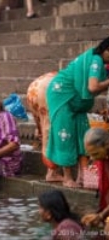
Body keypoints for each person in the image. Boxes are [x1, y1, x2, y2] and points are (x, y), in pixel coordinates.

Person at [44, 37, 109, 188]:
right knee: (64, 134)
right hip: (62, 95)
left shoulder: (101, 62)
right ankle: (68, 177)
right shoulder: (97, 60)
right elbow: (93, 87)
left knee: (83, 134)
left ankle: (85, 178)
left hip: (77, 99)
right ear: (106, 51)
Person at [27, 71, 64, 182]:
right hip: (48, 87)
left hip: (34, 88)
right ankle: (52, 172)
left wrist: (39, 128)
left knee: (45, 129)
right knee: (52, 131)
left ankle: (52, 171)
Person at [81, 128, 109, 228]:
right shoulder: (95, 161)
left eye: (95, 154)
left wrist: (101, 216)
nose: (92, 158)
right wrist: (93, 213)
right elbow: (89, 188)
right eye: (89, 154)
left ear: (107, 145)